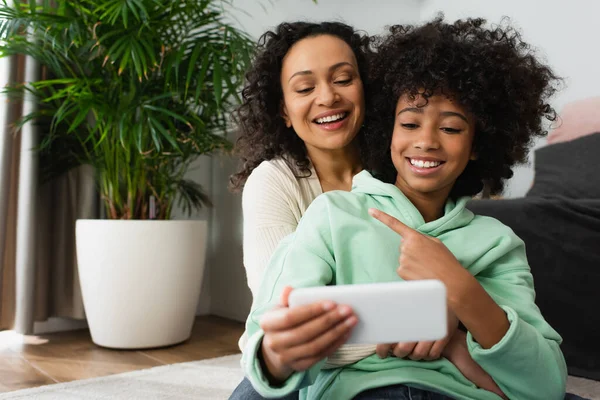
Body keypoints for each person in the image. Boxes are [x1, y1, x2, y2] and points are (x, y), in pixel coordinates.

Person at [241, 17, 577, 399]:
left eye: (450, 129)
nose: (427, 141)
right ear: (388, 130)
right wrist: (276, 353)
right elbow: (269, 329)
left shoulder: (497, 243)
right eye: (410, 123)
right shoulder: (331, 213)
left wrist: (459, 290)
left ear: (478, 144)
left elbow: (546, 384)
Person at [228, 21, 371, 400]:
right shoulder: (273, 181)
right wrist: (395, 333)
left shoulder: (402, 170)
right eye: (305, 88)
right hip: (297, 361)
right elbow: (284, 310)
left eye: (343, 79)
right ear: (285, 111)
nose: (327, 97)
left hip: (397, 362)